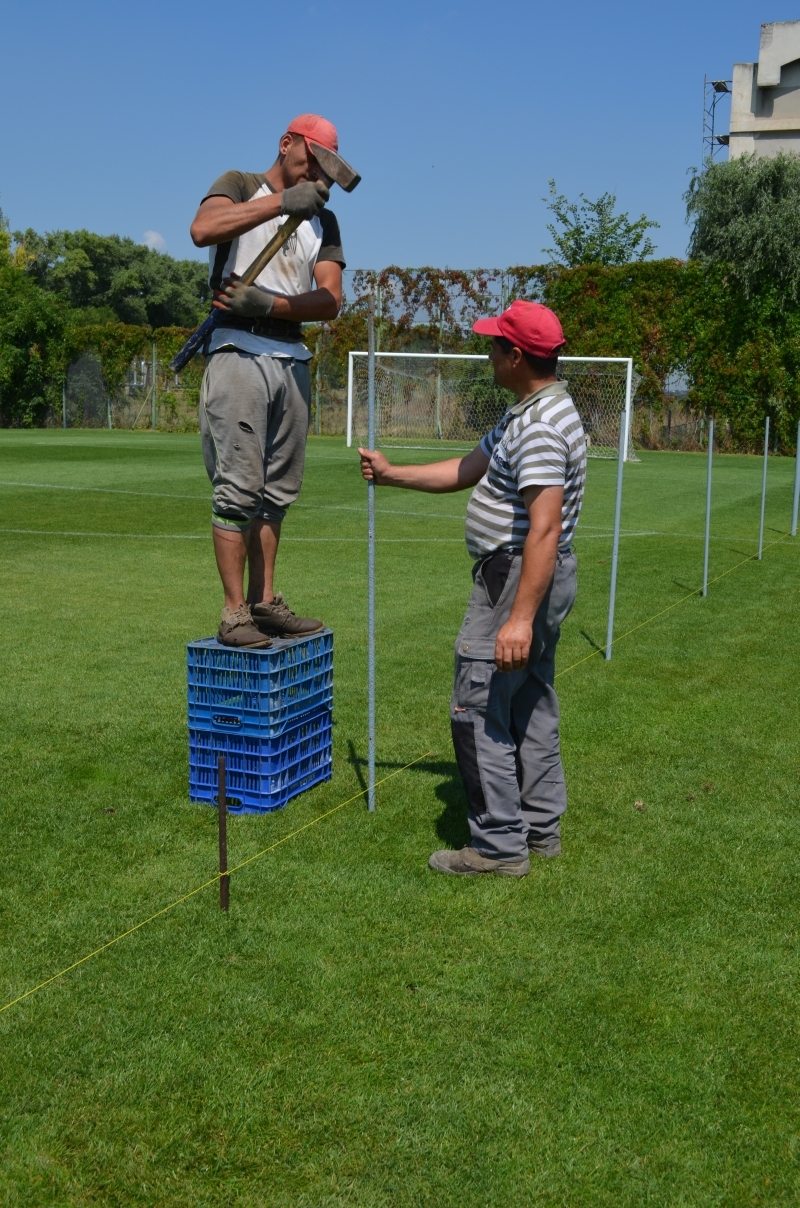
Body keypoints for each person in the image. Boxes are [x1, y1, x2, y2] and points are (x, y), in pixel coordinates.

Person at [359, 301, 586, 877]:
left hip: (516, 580)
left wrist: (517, 619)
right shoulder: (529, 411)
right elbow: (467, 468)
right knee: (530, 704)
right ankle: (540, 830)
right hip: (528, 576)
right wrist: (391, 475)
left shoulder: (537, 426)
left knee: (478, 708)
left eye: (494, 345)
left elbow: (544, 526)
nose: (487, 353)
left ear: (515, 356)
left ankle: (497, 846)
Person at [190, 114, 347, 648]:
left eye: (327, 170)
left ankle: (265, 601)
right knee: (238, 490)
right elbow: (203, 230)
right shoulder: (237, 184)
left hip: (291, 356)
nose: (317, 178)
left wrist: (274, 304)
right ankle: (234, 613)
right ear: (285, 145)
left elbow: (330, 299)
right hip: (237, 349)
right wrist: (283, 204)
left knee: (276, 495)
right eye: (312, 162)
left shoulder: (323, 221)